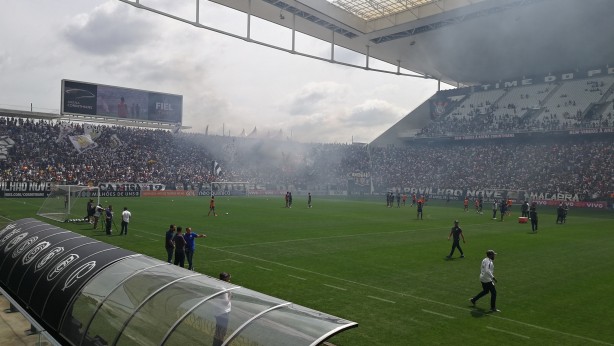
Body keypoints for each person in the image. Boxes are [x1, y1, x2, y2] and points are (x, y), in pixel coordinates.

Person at [213, 272, 232, 346]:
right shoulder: (223, 289)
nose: (229, 281)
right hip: (223, 313)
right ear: (225, 280)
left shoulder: (218, 286)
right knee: (221, 332)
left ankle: (217, 344)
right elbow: (226, 302)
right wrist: (230, 294)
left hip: (219, 312)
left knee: (219, 331)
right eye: (228, 279)